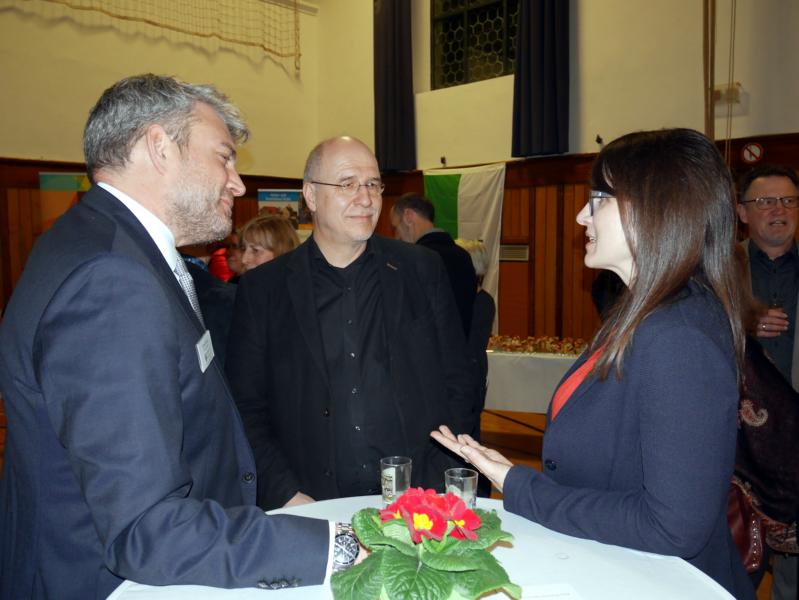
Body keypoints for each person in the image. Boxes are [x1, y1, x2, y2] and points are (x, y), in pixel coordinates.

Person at [0, 75, 351, 599]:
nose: (237, 183)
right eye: (224, 158)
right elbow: (145, 528)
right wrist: (334, 547)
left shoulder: (99, 242)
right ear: (159, 147)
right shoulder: (111, 281)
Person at [432, 128, 755, 599]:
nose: (582, 215)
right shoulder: (642, 313)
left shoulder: (677, 335)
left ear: (655, 208)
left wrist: (519, 484)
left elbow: (672, 528)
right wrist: (506, 470)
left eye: (599, 199)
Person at [226, 136, 476, 510]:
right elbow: (245, 406)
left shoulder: (421, 270)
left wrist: (438, 476)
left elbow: (458, 380)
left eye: (373, 184)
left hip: (418, 500)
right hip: (310, 503)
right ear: (311, 195)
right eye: (347, 184)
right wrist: (286, 494)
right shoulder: (264, 289)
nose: (366, 198)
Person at [736, 163, 799, 600]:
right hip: (740, 442)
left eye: (789, 201)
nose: (779, 209)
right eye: (765, 201)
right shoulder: (718, 266)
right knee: (738, 559)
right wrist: (743, 325)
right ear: (742, 212)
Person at [390, 192, 477, 336]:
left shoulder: (413, 259)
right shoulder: (463, 256)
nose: (396, 237)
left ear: (408, 217)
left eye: (395, 227)